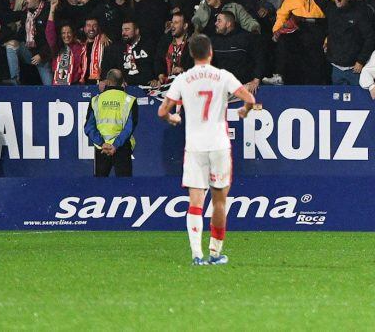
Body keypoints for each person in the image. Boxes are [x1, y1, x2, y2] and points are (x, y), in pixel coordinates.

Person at [158, 34, 259, 266]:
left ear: (192, 54)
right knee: (219, 202)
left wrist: (173, 118)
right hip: (218, 145)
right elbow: (249, 97)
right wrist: (244, 110)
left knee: (195, 201)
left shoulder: (183, 79)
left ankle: (196, 255)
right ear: (210, 52)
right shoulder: (222, 76)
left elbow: (162, 111)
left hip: (195, 146)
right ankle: (215, 252)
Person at [84, 69, 138, 177]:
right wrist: (115, 145)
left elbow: (89, 127)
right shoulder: (130, 100)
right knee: (125, 188)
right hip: (122, 148)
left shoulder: (96, 100)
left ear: (107, 82)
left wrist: (102, 143)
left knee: (100, 188)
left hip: (102, 149)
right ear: (122, 81)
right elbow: (130, 127)